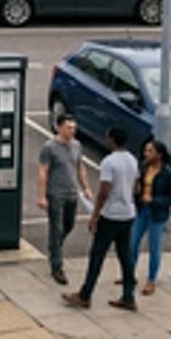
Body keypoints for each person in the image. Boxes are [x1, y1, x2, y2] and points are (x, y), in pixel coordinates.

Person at [63, 125, 139, 311]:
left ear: (112, 139)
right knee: (125, 255)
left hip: (110, 215)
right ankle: (128, 296)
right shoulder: (132, 160)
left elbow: (104, 190)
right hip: (128, 213)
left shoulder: (109, 162)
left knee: (97, 255)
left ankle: (85, 294)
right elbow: (135, 187)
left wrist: (95, 215)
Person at [38, 113, 93, 285]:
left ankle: (55, 247)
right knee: (56, 226)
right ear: (60, 127)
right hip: (55, 194)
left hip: (71, 193)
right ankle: (57, 265)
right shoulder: (49, 148)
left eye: (74, 128)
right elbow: (43, 172)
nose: (72, 131)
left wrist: (86, 187)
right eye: (69, 128)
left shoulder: (77, 146)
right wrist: (41, 196)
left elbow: (80, 167)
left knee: (69, 224)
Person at [127, 140, 171, 295]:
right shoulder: (144, 167)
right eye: (146, 150)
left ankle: (151, 280)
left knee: (154, 248)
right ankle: (129, 274)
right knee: (133, 243)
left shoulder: (167, 173)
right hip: (142, 210)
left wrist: (154, 200)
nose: (146, 154)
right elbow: (139, 186)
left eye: (150, 151)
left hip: (157, 213)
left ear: (159, 154)